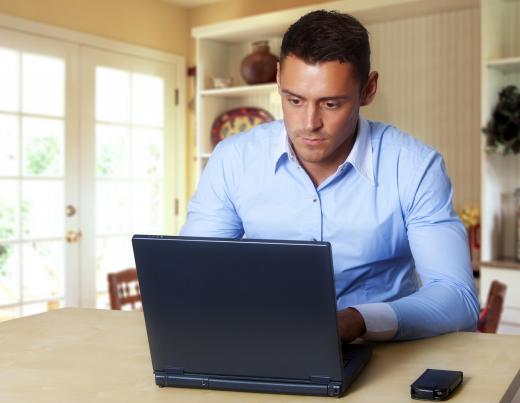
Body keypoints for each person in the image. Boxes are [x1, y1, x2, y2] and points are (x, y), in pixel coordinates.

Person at [181, 10, 479, 342]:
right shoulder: (232, 159)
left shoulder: (415, 167)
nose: (309, 123)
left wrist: (358, 320)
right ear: (278, 78)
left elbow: (458, 298)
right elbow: (191, 275)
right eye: (294, 100)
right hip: (265, 346)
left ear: (368, 89)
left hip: (384, 357)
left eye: (331, 104)